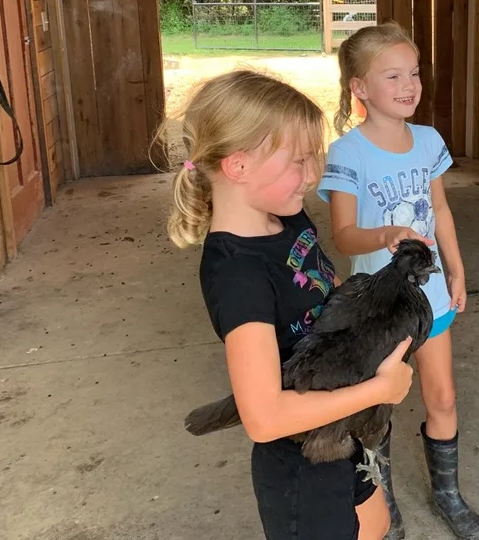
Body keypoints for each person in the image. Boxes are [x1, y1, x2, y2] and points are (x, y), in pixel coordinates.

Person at [164, 69, 414, 540]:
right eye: (299, 161)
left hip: (338, 427)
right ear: (238, 166)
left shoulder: (288, 218)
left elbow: (328, 286)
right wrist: (378, 391)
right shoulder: (239, 273)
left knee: (377, 523)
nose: (313, 175)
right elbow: (264, 418)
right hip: (302, 460)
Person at [318, 23, 479, 540]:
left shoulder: (430, 141)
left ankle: (448, 494)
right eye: (392, 75)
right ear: (360, 88)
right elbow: (344, 237)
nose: (408, 85)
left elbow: (440, 211)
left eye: (413, 73)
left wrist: (456, 269)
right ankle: (382, 501)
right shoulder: (348, 153)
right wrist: (387, 233)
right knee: (377, 406)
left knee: (443, 398)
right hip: (377, 310)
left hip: (430, 299)